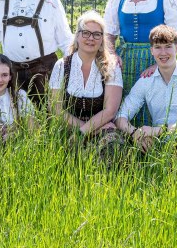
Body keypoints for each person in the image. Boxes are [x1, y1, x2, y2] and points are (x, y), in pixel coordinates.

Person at [114, 25, 177, 162]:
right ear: (151, 51)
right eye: (158, 47)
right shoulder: (146, 81)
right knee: (140, 144)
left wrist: (159, 130)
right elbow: (121, 116)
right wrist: (134, 133)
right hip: (161, 142)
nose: (163, 52)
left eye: (168, 46)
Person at [49, 11, 126, 161]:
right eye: (86, 33)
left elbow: (110, 110)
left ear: (102, 40)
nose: (91, 38)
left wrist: (84, 132)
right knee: (60, 154)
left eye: (97, 34)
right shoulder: (61, 65)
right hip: (69, 127)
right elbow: (56, 109)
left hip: (102, 128)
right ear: (77, 36)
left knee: (113, 147)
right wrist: (84, 129)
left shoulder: (111, 66)